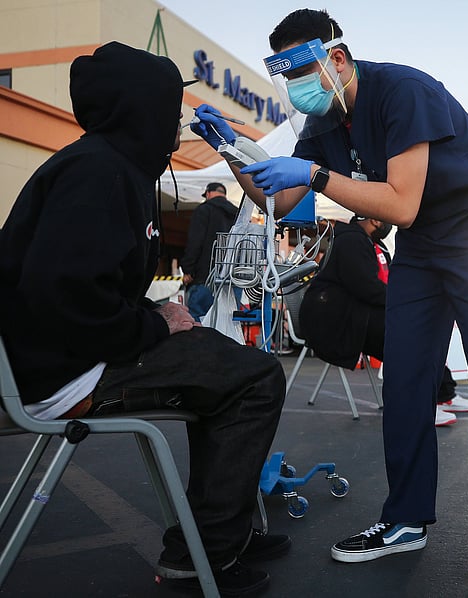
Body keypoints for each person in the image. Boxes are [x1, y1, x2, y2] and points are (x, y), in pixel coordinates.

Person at [190, 8, 468, 583]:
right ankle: (405, 520)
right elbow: (277, 202)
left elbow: (398, 202)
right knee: (403, 378)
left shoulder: (402, 90)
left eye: (300, 69)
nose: (295, 86)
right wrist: (234, 149)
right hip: (425, 243)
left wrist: (314, 178)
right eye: (285, 75)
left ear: (336, 57)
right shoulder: (325, 124)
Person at [0, 42, 289, 595]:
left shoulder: (109, 165)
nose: (178, 120)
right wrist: (157, 327)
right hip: (62, 373)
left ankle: (220, 532)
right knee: (255, 377)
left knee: (226, 368)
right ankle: (202, 552)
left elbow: (87, 286)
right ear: (140, 109)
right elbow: (61, 295)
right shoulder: (98, 172)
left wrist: (156, 312)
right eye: (170, 107)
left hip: (66, 354)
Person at [298, 215, 468, 426]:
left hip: (351, 315)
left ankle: (443, 394)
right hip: (334, 324)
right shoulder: (351, 241)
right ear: (375, 220)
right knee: (406, 339)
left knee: (417, 332)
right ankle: (416, 407)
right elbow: (366, 287)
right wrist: (405, 302)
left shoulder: (368, 242)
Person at [181, 182, 238, 321]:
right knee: (227, 324)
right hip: (232, 280)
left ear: (208, 193)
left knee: (199, 322)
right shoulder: (237, 214)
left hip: (205, 278)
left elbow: (195, 241)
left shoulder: (204, 210)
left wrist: (188, 269)